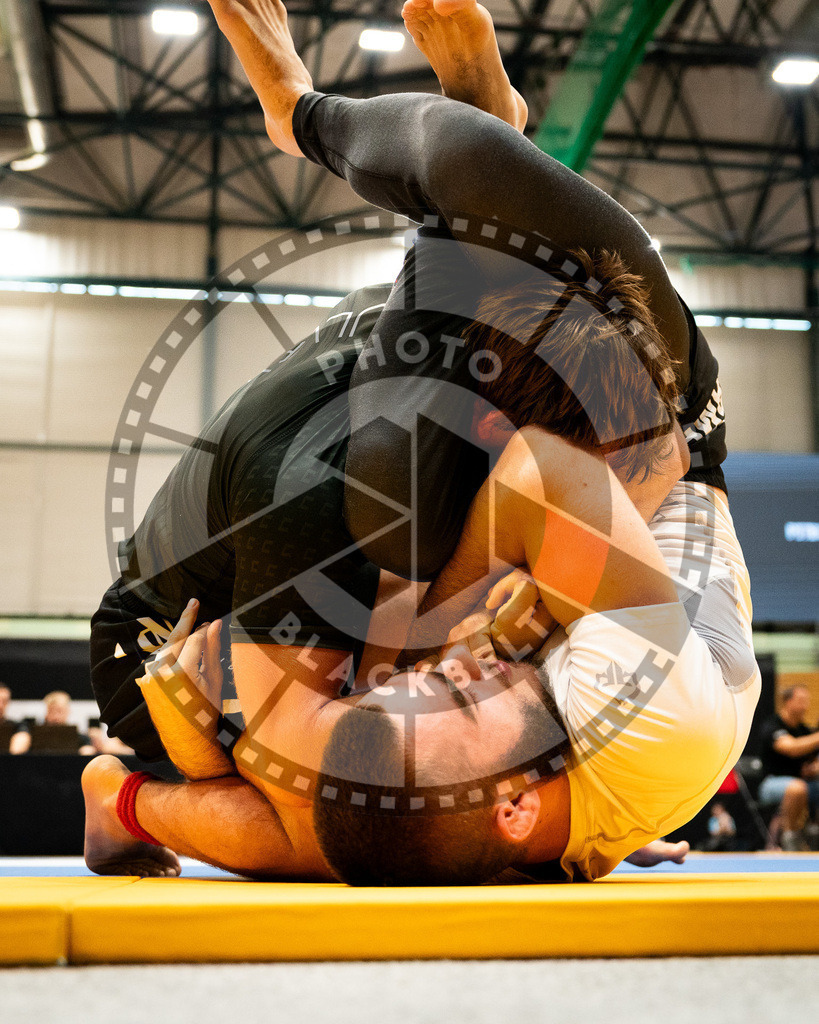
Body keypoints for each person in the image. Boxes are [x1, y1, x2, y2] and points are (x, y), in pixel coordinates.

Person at [758, 685, 819, 851]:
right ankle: (789, 837)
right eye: (800, 701)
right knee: (797, 789)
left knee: (804, 786)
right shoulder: (772, 725)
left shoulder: (804, 730)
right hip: (771, 784)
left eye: (806, 701)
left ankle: (814, 831)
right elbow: (792, 748)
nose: (805, 706)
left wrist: (814, 769)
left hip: (804, 783)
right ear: (787, 701)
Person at [10, 691, 96, 755]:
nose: (56, 716)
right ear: (46, 712)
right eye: (52, 711)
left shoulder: (79, 737)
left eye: (60, 711)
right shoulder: (33, 733)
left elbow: (87, 749)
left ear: (68, 711)